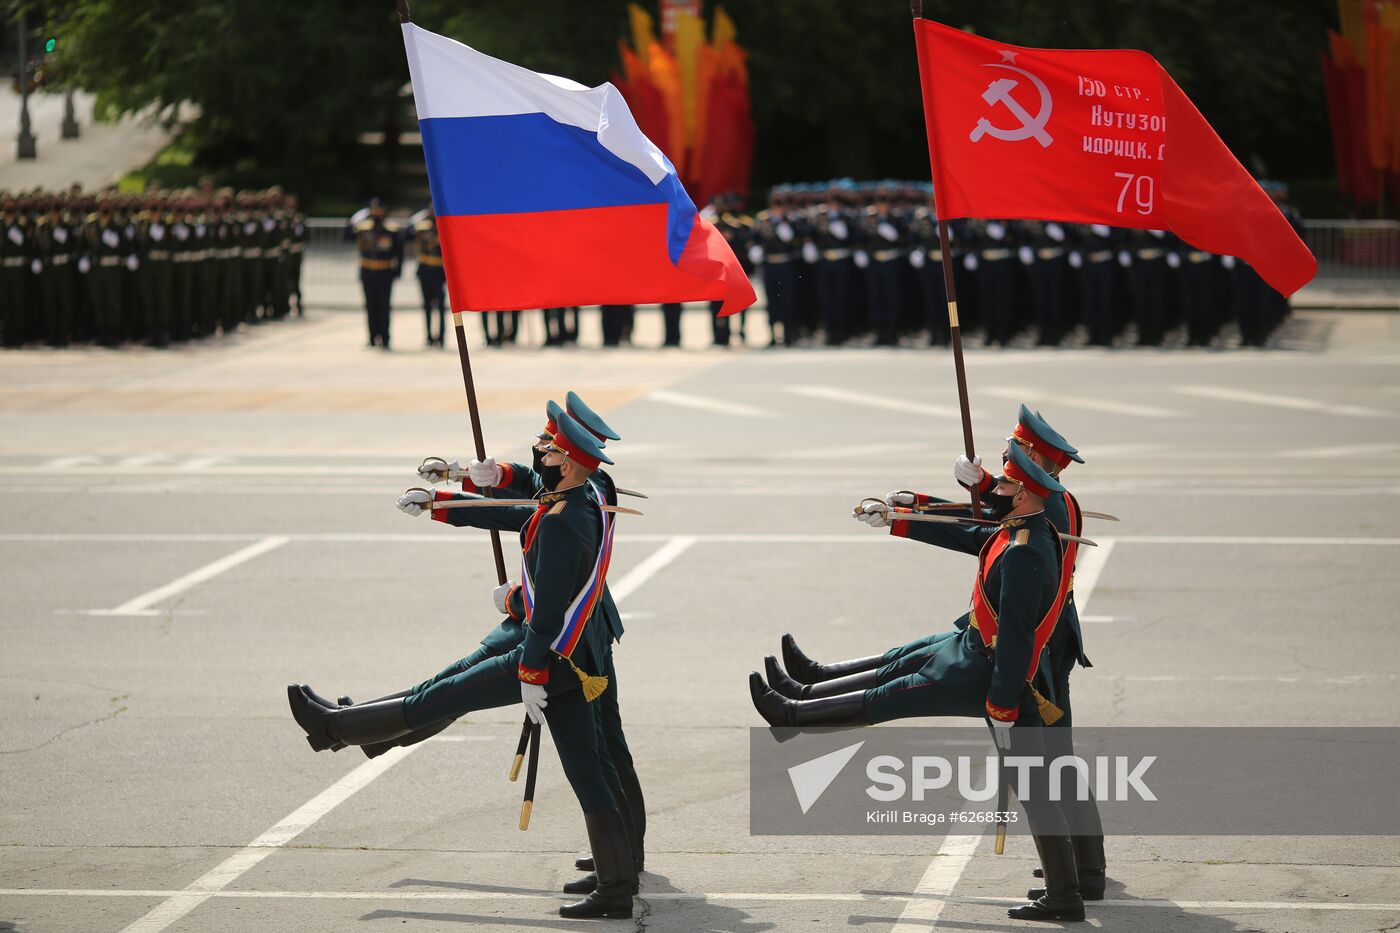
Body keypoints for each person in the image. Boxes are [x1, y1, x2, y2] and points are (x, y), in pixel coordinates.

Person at [287, 411, 636, 920]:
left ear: (573, 460)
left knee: (441, 698)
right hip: (572, 661)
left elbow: (550, 613)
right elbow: (520, 505)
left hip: (549, 659)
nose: (542, 456)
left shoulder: (565, 521)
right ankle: (616, 887)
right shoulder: (572, 500)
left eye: (551, 450)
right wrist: (446, 499)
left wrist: (530, 663)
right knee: (589, 769)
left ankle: (335, 727)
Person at [778, 405, 1106, 901]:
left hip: (1037, 643)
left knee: (1046, 763)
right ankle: (1083, 871)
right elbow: (992, 518)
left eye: (1012, 459)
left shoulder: (1044, 514)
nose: (1000, 464)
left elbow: (985, 529)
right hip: (1022, 636)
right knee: (1046, 761)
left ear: (1034, 465)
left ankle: (1082, 874)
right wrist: (913, 510)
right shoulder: (1040, 502)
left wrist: (923, 511)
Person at [347, 199, 402, 349]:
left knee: (384, 307)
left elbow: (399, 251)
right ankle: (372, 337)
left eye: (379, 211)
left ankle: (385, 338)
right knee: (370, 306)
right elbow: (346, 236)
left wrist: (397, 271)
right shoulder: (363, 229)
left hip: (385, 272)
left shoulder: (390, 230)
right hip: (368, 272)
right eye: (374, 211)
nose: (377, 214)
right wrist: (357, 217)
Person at [413, 210, 446, 347]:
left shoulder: (444, 227)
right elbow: (406, 234)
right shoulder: (422, 228)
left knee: (440, 307)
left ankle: (441, 337)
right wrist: (419, 216)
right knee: (426, 306)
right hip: (425, 271)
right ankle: (428, 336)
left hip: (439, 271)